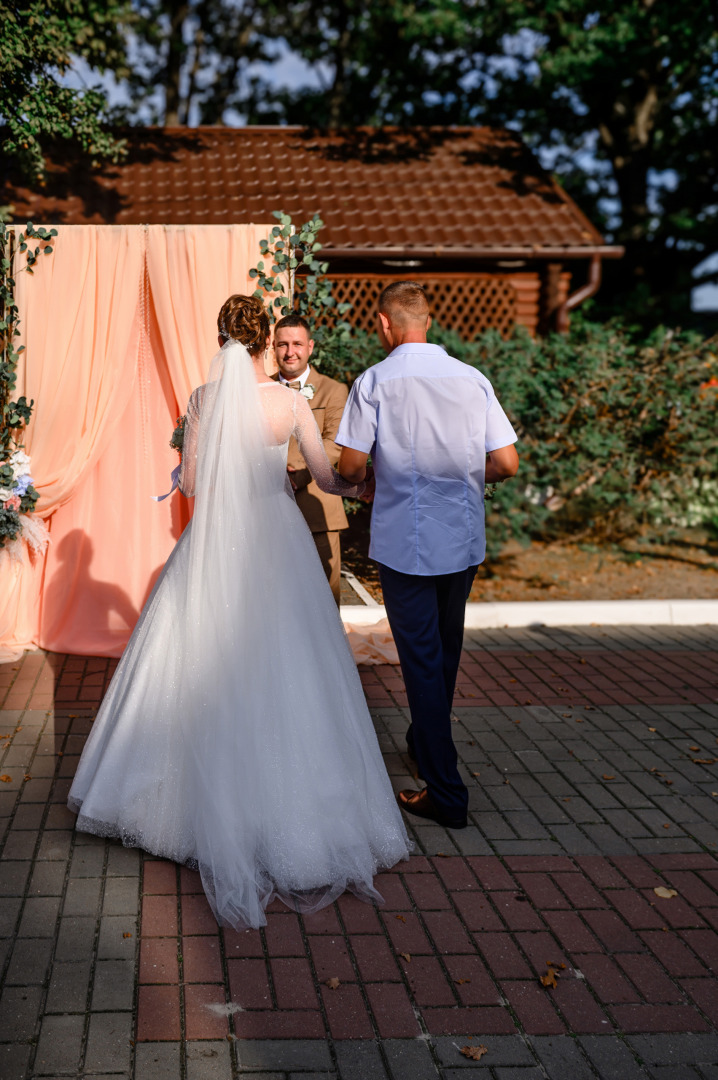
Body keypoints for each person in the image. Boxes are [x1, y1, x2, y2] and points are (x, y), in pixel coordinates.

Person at [68, 294, 410, 930]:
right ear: (264, 343)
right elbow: (327, 478)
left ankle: (171, 809)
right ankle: (298, 814)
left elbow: (193, 483)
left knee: (191, 658)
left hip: (216, 541)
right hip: (277, 537)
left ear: (221, 336)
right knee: (291, 664)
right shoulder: (290, 401)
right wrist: (366, 483)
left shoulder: (204, 400)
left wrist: (182, 465)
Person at [335, 281, 519, 830]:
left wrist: (375, 479)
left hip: (407, 542)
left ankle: (447, 793)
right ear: (429, 321)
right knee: (444, 652)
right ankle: (423, 740)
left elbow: (347, 467)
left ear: (384, 324)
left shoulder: (375, 381)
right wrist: (463, 472)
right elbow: (506, 463)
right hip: (461, 541)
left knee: (421, 661)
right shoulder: (472, 378)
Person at [272, 313, 349, 605]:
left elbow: (336, 443)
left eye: (297, 344)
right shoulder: (260, 389)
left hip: (319, 510)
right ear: (272, 347)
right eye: (282, 345)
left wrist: (300, 474)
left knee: (323, 601)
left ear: (311, 347)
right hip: (270, 511)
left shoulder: (333, 390)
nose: (290, 352)